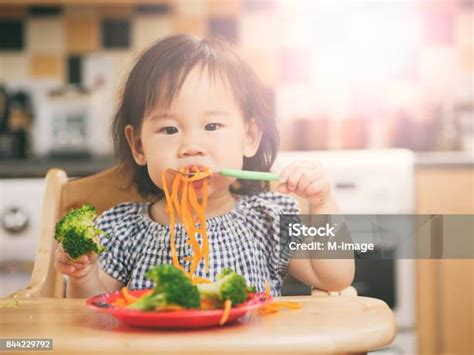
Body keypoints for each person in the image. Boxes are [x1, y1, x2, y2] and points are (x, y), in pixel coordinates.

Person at [55, 34, 354, 298]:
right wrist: (83, 276)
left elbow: (335, 279)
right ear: (139, 146)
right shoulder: (121, 229)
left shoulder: (270, 218)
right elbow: (91, 309)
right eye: (169, 130)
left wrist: (322, 202)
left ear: (249, 138)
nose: (191, 147)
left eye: (212, 125)